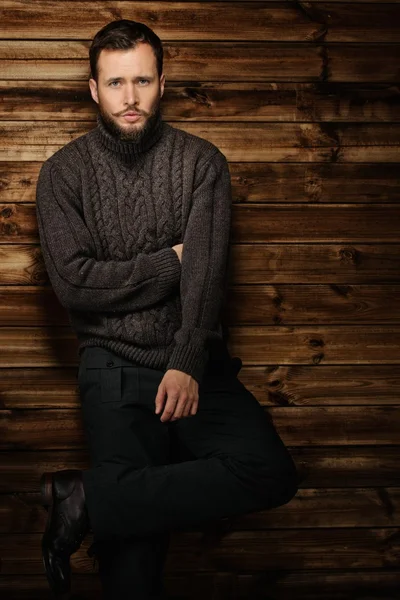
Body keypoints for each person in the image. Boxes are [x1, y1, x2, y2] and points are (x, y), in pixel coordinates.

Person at [36, 19, 298, 600]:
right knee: (134, 560)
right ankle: (105, 505)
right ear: (93, 88)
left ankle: (89, 498)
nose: (130, 99)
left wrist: (186, 359)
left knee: (268, 470)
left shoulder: (202, 161)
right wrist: (168, 263)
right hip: (112, 368)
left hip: (194, 359)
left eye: (143, 81)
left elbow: (206, 272)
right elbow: (76, 285)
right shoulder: (62, 174)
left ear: (163, 82)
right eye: (115, 83)